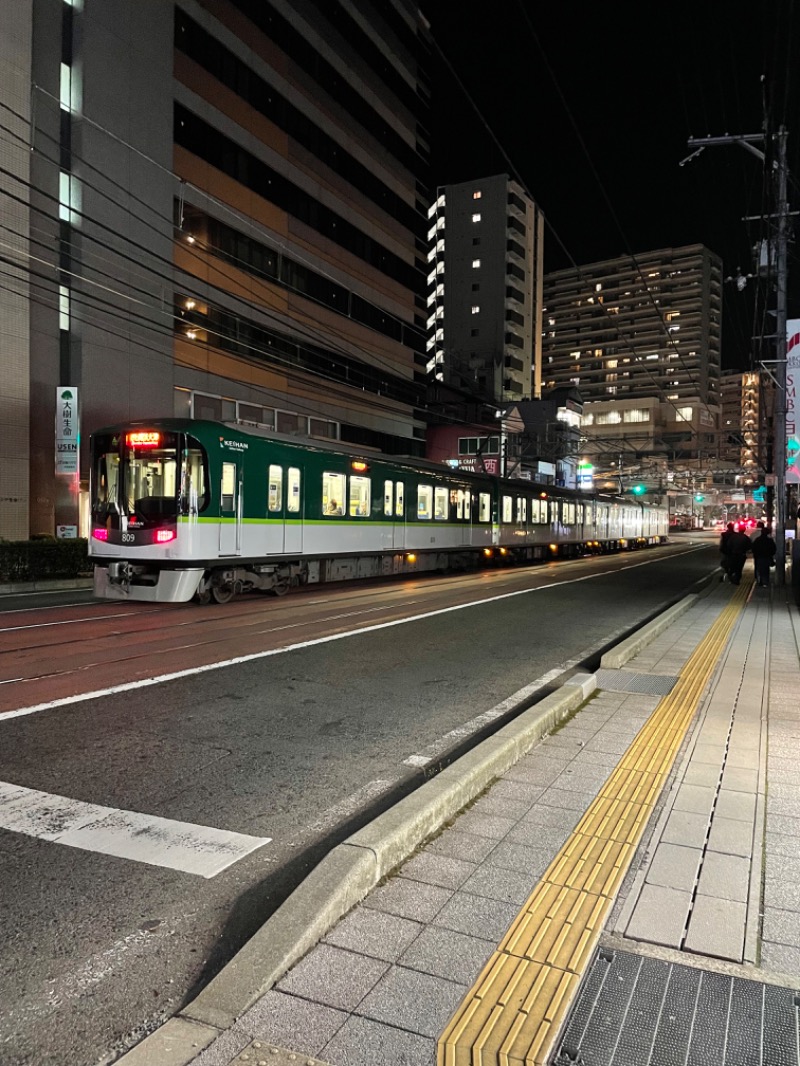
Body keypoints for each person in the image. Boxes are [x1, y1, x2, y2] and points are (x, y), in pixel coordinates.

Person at [750, 522, 776, 587]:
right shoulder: (769, 540)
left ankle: (759, 580)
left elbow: (753, 547)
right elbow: (773, 548)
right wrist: (771, 555)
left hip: (758, 556)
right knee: (766, 569)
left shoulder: (756, 539)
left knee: (758, 568)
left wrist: (755, 553)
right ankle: (765, 582)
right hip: (767, 557)